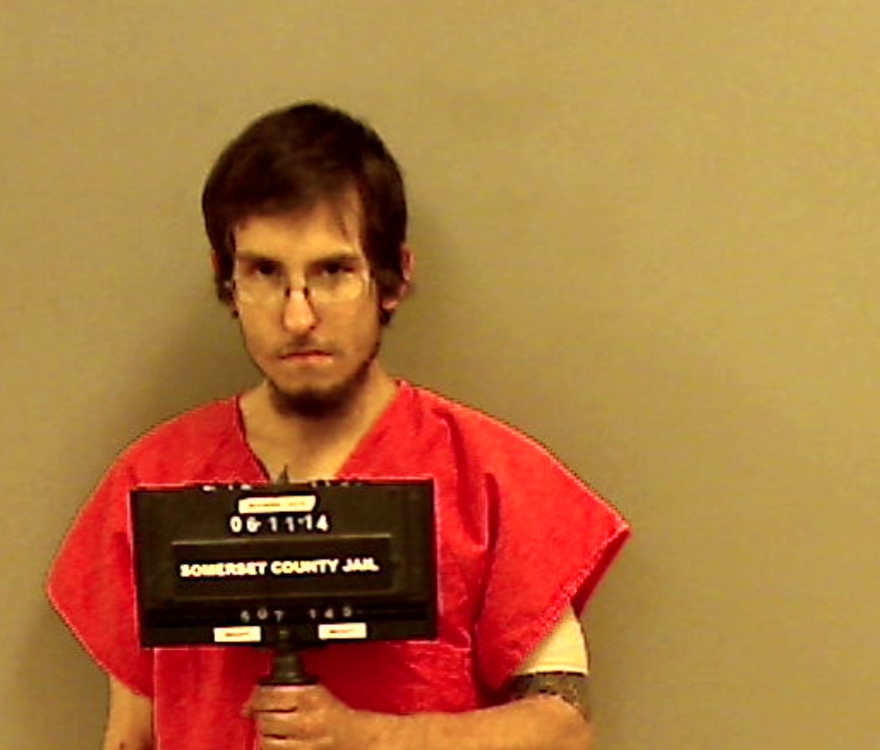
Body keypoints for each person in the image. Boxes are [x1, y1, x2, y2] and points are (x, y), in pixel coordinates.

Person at [48, 102, 630, 750]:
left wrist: (362, 736)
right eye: (265, 272)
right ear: (226, 280)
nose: (298, 317)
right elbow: (130, 734)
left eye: (333, 272)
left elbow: (562, 727)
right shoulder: (155, 482)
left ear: (393, 279)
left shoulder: (492, 480)